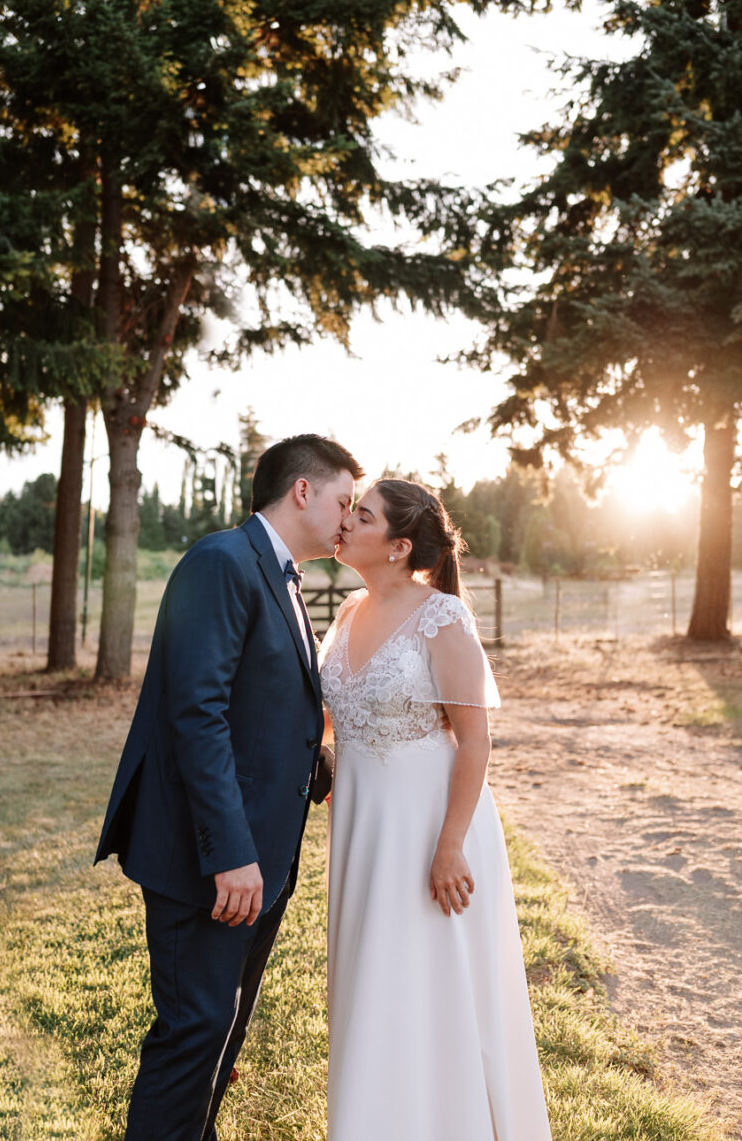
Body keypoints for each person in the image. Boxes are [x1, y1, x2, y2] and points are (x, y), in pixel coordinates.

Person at [95, 434, 362, 1141]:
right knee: (196, 1032)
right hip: (209, 860)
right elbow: (198, 714)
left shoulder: (280, 576)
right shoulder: (221, 562)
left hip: (263, 862)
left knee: (222, 1033)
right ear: (302, 490)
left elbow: (271, 708)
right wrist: (228, 852)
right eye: (344, 500)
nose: (349, 517)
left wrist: (326, 768)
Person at [321, 478, 552, 1141]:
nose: (345, 520)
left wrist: (449, 845)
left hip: (433, 826)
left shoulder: (442, 619)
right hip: (365, 822)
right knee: (372, 977)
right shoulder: (347, 613)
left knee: (430, 979)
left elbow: (476, 740)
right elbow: (340, 717)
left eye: (360, 515)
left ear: (398, 546)